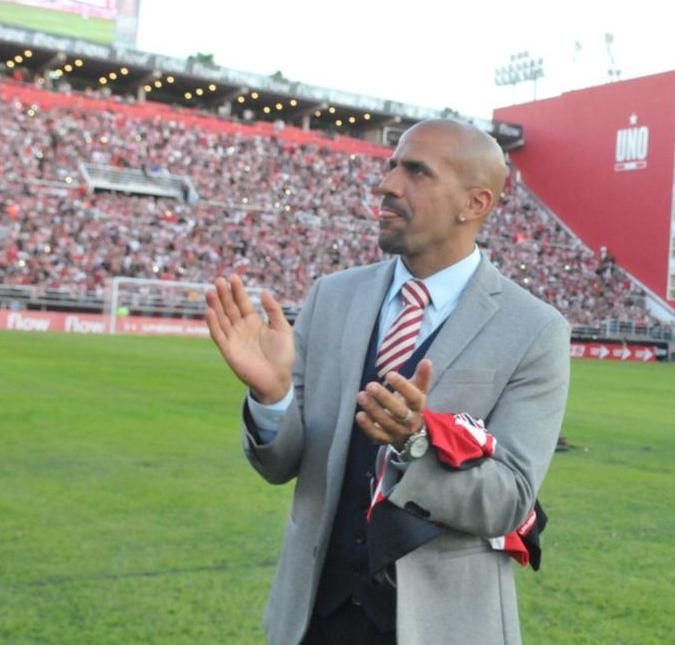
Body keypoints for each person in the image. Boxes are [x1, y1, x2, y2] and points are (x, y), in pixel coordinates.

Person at [204, 119, 571, 645]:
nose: (388, 184)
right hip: (314, 617)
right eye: (393, 164)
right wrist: (272, 396)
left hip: (439, 626)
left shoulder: (534, 330)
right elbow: (282, 464)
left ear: (475, 204)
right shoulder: (331, 297)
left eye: (416, 171)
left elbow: (509, 501)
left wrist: (414, 443)